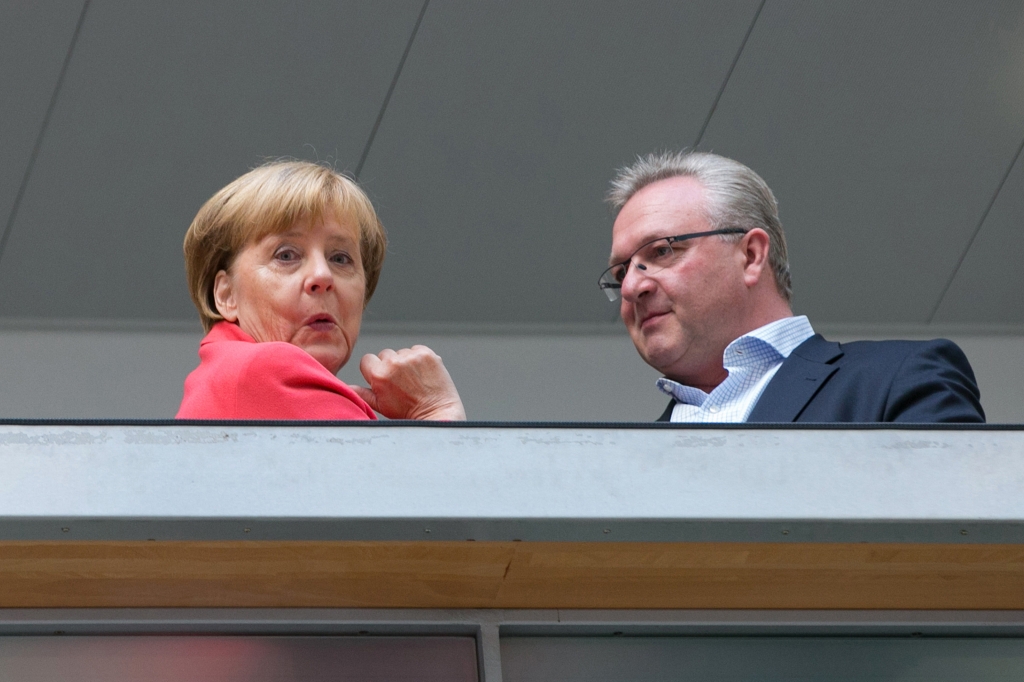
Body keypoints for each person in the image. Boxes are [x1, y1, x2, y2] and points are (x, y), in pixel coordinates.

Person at [601, 151, 984, 423]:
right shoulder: (622, 466)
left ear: (750, 255)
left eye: (663, 250)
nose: (632, 286)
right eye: (621, 273)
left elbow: (958, 534)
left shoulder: (898, 380)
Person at [177, 160, 465, 421]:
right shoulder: (264, 370)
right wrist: (438, 412)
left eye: (340, 259)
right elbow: (417, 479)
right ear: (227, 295)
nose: (323, 275)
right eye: (286, 255)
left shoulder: (225, 374)